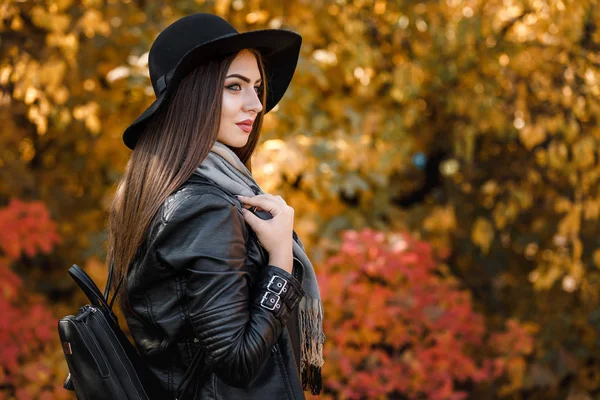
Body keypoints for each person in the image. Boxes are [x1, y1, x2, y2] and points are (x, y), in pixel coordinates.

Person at [105, 12, 325, 399]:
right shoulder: (203, 209)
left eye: (257, 88)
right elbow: (236, 360)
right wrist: (280, 261)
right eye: (235, 87)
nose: (256, 104)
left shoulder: (166, 195)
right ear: (194, 96)